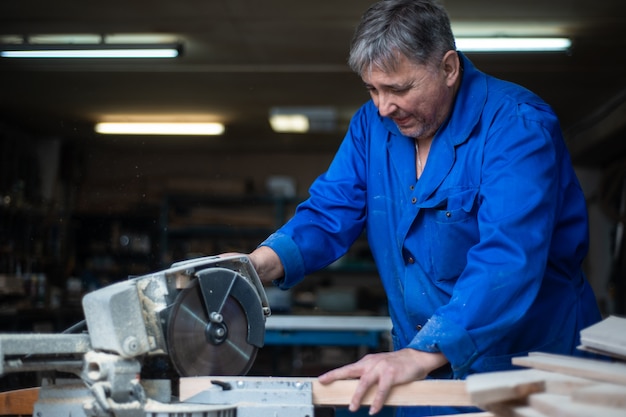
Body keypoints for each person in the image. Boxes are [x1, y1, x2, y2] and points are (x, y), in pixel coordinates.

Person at [239, 0, 602, 415]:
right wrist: (252, 268)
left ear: (448, 68)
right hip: (422, 374)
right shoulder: (370, 127)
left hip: (524, 371)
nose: (383, 107)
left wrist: (420, 354)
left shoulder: (518, 126)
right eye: (373, 89)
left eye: (398, 88)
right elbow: (329, 212)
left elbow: (509, 256)